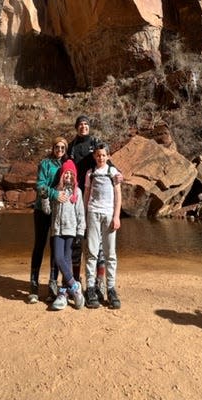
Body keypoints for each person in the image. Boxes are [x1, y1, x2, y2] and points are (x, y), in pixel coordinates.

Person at [67, 115, 106, 297]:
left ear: (89, 127)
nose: (83, 127)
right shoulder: (72, 145)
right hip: (76, 197)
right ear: (76, 128)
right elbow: (66, 167)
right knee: (76, 240)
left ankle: (99, 282)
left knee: (96, 243)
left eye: (86, 124)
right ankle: (75, 281)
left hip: (94, 198)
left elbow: (105, 160)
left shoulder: (96, 142)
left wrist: (116, 173)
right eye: (80, 124)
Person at [27, 137, 68, 304]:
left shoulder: (65, 165)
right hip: (42, 209)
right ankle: (34, 284)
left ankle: (53, 282)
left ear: (65, 150)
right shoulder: (45, 163)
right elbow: (40, 185)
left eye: (62, 148)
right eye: (57, 147)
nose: (59, 150)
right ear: (53, 148)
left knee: (55, 245)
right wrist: (54, 194)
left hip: (58, 210)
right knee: (39, 244)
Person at [84, 142, 123, 310]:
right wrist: (84, 216)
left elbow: (118, 195)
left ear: (108, 156)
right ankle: (91, 288)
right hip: (93, 213)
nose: (100, 157)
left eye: (103, 155)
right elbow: (86, 194)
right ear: (94, 156)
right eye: (98, 155)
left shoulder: (113, 172)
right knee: (92, 253)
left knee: (110, 254)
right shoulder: (90, 173)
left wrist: (116, 216)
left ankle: (111, 289)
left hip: (108, 215)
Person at [50, 159, 86, 311]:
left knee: (67, 259)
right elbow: (48, 210)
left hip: (71, 231)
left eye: (71, 174)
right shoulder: (57, 190)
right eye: (66, 174)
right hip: (57, 230)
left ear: (75, 176)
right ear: (62, 175)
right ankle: (75, 286)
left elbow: (80, 214)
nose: (69, 177)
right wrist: (48, 195)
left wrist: (80, 232)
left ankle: (63, 292)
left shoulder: (77, 192)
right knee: (58, 258)